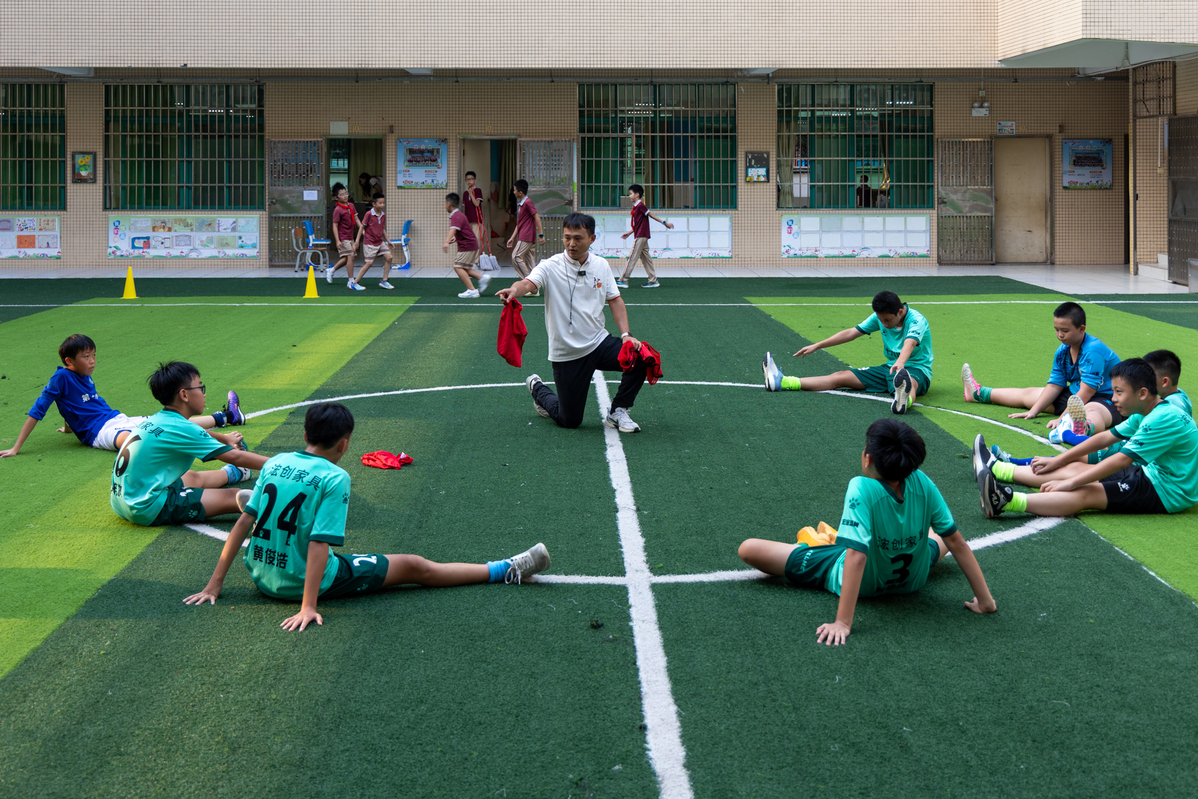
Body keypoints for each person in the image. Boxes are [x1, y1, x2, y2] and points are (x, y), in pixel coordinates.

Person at [182, 402, 552, 631]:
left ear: (306, 433)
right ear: (344, 444)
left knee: (272, 522)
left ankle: (505, 569)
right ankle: (505, 570)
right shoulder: (335, 477)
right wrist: (308, 605)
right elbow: (318, 545)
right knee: (413, 565)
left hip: (262, 577)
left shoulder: (277, 463)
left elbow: (243, 523)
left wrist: (214, 585)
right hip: (298, 584)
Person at [738, 419, 996, 646]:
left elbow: (857, 557)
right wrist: (985, 602)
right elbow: (957, 542)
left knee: (749, 549)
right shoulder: (923, 481)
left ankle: (819, 546)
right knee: (943, 534)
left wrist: (843, 623)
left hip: (863, 584)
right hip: (914, 580)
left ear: (868, 458)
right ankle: (837, 541)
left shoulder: (860, 487)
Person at [974, 358, 1198, 518]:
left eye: (1119, 392)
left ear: (1142, 393)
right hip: (1151, 471)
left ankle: (1004, 501)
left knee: (1085, 491)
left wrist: (1070, 483)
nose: (1113, 398)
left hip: (1167, 491)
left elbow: (1121, 459)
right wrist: (1059, 460)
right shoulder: (1147, 410)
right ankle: (997, 469)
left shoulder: (1163, 417)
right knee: (1073, 467)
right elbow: (1104, 438)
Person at [495, 212, 654, 433]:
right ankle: (538, 388)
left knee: (642, 356)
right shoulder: (550, 266)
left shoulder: (601, 265)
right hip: (568, 353)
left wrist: (626, 335)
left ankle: (618, 411)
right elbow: (528, 283)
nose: (571, 243)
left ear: (592, 239)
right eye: (567, 237)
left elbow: (615, 300)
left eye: (578, 238)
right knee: (570, 420)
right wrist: (514, 290)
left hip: (599, 343)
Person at [1, 334, 245, 459]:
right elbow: (38, 411)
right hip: (99, 432)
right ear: (69, 361)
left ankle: (226, 417)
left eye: (94, 355)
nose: (92, 360)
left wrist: (68, 428)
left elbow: (70, 405)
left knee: (167, 423)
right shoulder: (61, 378)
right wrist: (15, 447)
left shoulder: (83, 376)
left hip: (116, 418)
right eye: (86, 356)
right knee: (139, 441)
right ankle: (214, 440)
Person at [110, 361, 269, 527]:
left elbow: (189, 431)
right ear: (184, 395)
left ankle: (234, 473)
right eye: (200, 388)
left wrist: (225, 438)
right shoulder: (180, 427)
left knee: (192, 476)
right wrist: (282, 465)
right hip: (147, 506)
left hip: (123, 500)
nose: (204, 394)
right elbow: (235, 456)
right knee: (236, 496)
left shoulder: (160, 418)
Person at [989, 349, 1190, 466]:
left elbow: (1125, 456)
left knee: (1076, 464)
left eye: (1148, 375)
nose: (1142, 379)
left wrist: (1075, 483)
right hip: (1140, 448)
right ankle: (1061, 436)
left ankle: (1013, 463)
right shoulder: (1170, 400)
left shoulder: (1170, 408)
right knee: (1079, 457)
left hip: (1146, 460)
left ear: (1163, 382)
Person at [961, 301, 1121, 443]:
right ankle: (978, 393)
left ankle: (1082, 428)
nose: (1060, 335)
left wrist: (1063, 419)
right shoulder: (1063, 350)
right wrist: (1034, 411)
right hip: (1075, 395)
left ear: (1081, 329)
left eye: (1065, 330)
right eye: (1057, 329)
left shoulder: (1094, 350)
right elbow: (1054, 385)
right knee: (1030, 394)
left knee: (1093, 411)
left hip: (1109, 398)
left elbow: (1086, 393)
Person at [762, 290, 931, 415]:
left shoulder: (917, 320)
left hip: (917, 369)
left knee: (909, 381)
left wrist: (901, 363)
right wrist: (819, 345)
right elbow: (852, 332)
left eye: (887, 320)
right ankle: (782, 382)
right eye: (880, 320)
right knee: (841, 376)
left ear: (900, 311)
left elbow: (910, 342)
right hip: (889, 368)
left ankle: (903, 400)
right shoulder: (880, 318)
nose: (884, 324)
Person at [617, 183, 673, 289]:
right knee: (646, 258)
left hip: (641, 236)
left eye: (630, 193)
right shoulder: (637, 207)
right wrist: (629, 233)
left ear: (637, 194)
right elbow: (638, 224)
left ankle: (623, 280)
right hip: (641, 235)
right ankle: (653, 280)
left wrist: (665, 223)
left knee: (632, 257)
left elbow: (651, 215)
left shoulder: (640, 206)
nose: (629, 196)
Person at [443, 192, 491, 299]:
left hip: (467, 245)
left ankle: (472, 290)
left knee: (457, 266)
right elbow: (464, 229)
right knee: (465, 267)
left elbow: (453, 229)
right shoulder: (459, 215)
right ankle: (482, 278)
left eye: (445, 203)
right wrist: (456, 238)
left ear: (448, 203)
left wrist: (446, 241)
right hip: (471, 244)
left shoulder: (456, 215)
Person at [349, 192, 395, 291]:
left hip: (380, 241)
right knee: (369, 263)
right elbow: (362, 227)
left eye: (383, 203)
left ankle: (384, 281)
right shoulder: (369, 214)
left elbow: (382, 228)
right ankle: (354, 283)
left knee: (389, 257)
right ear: (374, 204)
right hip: (370, 242)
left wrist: (388, 241)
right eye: (380, 203)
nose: (382, 205)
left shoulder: (383, 215)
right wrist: (357, 241)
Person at [506, 179, 544, 281]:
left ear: (520, 192)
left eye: (514, 190)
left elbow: (537, 217)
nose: (513, 192)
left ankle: (528, 282)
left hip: (526, 236)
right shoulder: (522, 204)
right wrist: (512, 238)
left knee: (516, 257)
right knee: (530, 263)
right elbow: (519, 224)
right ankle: (536, 284)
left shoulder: (527, 202)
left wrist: (541, 235)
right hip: (525, 236)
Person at [326, 183, 363, 284]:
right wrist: (337, 240)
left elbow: (356, 218)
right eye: (342, 194)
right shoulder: (337, 210)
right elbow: (335, 225)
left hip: (350, 236)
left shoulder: (351, 205)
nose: (345, 196)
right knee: (351, 256)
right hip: (343, 237)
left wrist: (362, 230)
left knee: (347, 258)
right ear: (336, 197)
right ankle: (351, 281)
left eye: (345, 193)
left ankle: (331, 270)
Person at [463, 171, 486, 250]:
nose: (469, 181)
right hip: (468, 221)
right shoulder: (465, 193)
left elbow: (476, 204)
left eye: (471, 179)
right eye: (467, 179)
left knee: (476, 242)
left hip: (477, 220)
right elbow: (465, 207)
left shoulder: (478, 190)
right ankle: (471, 261)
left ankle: (476, 261)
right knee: (469, 241)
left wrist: (471, 194)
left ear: (475, 180)